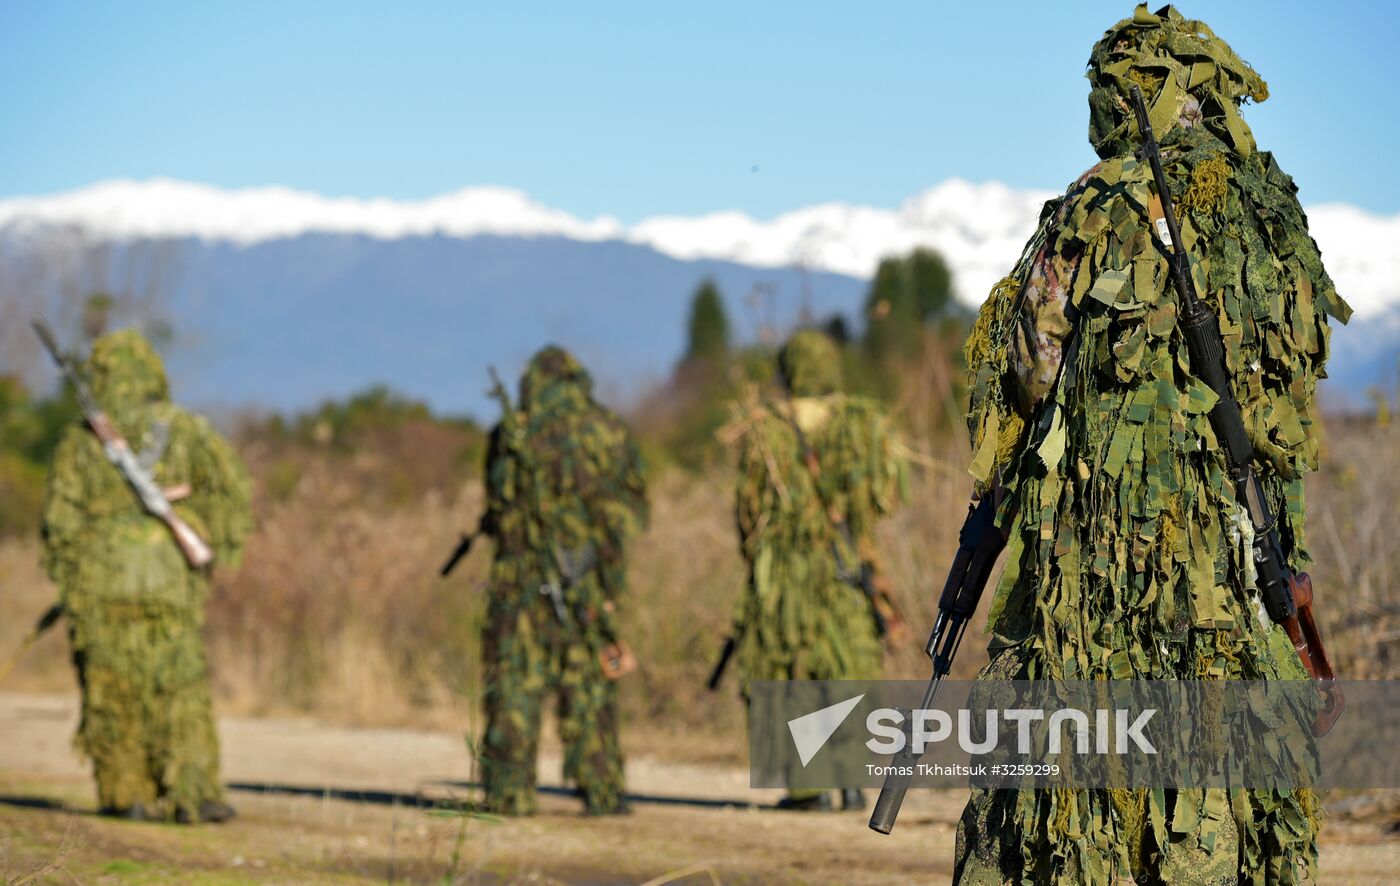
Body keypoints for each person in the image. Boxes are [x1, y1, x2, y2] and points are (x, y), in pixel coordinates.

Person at [953, 5, 1350, 882]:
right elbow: (1291, 396)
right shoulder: (1276, 224)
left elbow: (1031, 367)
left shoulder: (1095, 207)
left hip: (1098, 558)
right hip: (1245, 537)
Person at [42, 329, 252, 823]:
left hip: (101, 587)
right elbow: (231, 501)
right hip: (169, 587)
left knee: (113, 691)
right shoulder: (189, 431)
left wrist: (76, 575)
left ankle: (125, 792)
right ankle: (194, 793)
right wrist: (193, 532)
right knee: (179, 689)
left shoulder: (77, 445)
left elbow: (59, 524)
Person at [727, 329, 906, 811]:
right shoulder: (861, 422)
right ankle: (848, 779)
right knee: (845, 666)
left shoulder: (766, 430)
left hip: (784, 571)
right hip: (847, 564)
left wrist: (759, 556)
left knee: (788, 667)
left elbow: (749, 513)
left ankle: (808, 789)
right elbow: (881, 500)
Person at [476, 346, 647, 816]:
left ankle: (508, 792)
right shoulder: (608, 433)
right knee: (589, 685)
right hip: (584, 579)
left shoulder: (510, 432)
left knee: (514, 686)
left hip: (516, 583)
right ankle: (603, 790)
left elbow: (497, 508)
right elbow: (622, 520)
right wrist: (611, 592)